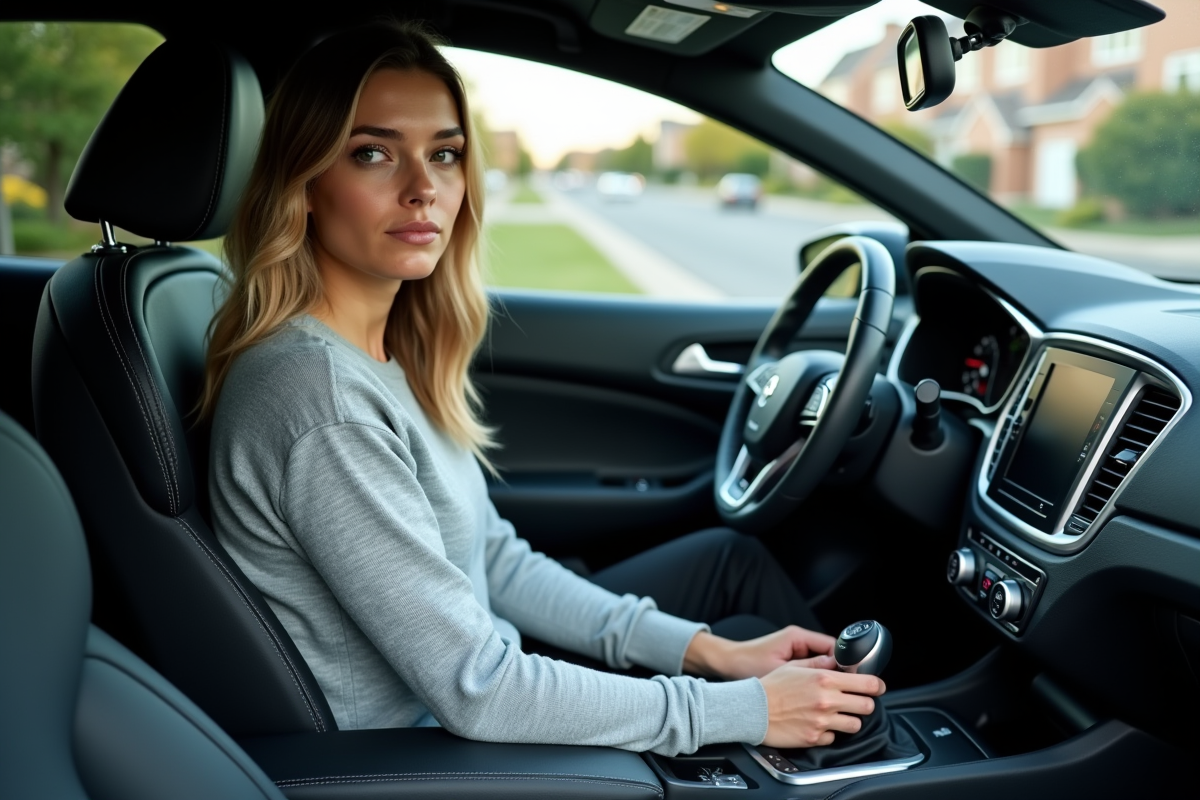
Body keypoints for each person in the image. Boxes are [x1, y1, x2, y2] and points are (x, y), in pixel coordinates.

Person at [203, 20, 884, 756]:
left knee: (742, 614)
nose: (423, 188)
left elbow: (491, 559)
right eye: (373, 154)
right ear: (303, 184)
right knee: (795, 719)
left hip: (472, 704)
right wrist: (733, 711)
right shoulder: (320, 400)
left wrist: (704, 654)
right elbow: (479, 688)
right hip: (430, 758)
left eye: (445, 154)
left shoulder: (378, 353)